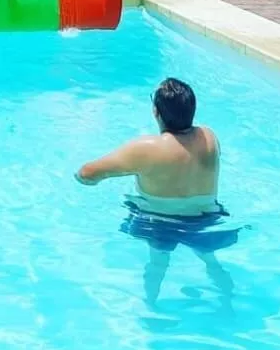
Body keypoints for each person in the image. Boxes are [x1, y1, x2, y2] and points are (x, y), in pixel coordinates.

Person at [76, 78, 237, 308]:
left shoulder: (148, 149)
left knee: (157, 264)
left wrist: (80, 177)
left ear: (156, 112)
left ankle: (151, 304)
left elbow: (88, 173)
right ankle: (228, 301)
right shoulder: (209, 137)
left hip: (160, 222)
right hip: (207, 218)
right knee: (211, 261)